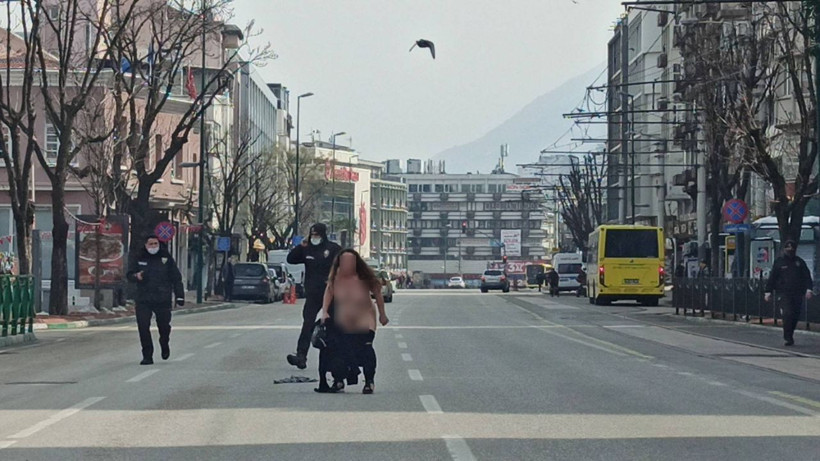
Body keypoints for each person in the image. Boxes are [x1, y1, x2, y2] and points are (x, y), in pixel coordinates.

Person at [320, 249, 389, 394]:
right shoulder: (335, 278)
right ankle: (339, 380)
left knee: (366, 349)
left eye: (351, 261)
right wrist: (325, 311)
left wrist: (382, 314)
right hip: (343, 319)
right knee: (339, 350)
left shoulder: (364, 277)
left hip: (364, 318)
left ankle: (369, 381)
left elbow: (378, 293)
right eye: (344, 261)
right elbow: (329, 292)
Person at [286, 223, 342, 369]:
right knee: (307, 324)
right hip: (313, 295)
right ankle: (301, 356)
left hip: (331, 294)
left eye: (317, 235)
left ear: (323, 235)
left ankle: (337, 357)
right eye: (312, 235)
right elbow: (290, 259)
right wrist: (301, 246)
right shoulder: (307, 249)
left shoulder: (333, 249)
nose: (314, 237)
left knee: (334, 325)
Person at [126, 235, 184, 365]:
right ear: (146, 245)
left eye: (155, 244)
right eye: (150, 244)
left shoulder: (166, 258)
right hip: (143, 298)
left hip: (162, 298)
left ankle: (164, 342)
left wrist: (179, 296)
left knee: (164, 326)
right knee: (143, 327)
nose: (153, 246)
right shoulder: (139, 257)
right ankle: (147, 355)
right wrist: (136, 276)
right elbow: (129, 274)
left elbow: (176, 278)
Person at [765, 240, 813, 346]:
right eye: (788, 248)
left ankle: (790, 333)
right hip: (783, 293)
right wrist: (768, 291)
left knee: (795, 315)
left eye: (792, 248)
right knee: (787, 313)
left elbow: (807, 276)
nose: (790, 250)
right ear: (784, 249)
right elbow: (772, 278)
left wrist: (809, 289)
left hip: (797, 293)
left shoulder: (799, 262)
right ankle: (787, 337)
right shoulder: (779, 262)